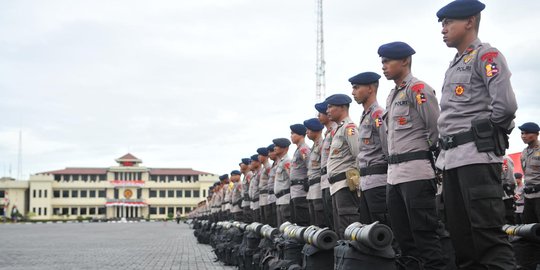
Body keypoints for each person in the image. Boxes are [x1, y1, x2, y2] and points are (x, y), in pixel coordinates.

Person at [436, 0, 518, 268]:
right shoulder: (455, 64)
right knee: (462, 241)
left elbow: (504, 106)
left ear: (469, 22)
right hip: (452, 161)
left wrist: (487, 134)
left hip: (476, 159)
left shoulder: (487, 56)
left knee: (488, 238)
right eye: (443, 24)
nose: (443, 29)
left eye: (449, 22)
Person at [379, 41, 444, 269]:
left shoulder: (418, 89)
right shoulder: (392, 95)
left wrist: (426, 154)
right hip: (394, 176)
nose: (383, 66)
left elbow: (436, 128)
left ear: (404, 61)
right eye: (382, 62)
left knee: (424, 236)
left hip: (416, 173)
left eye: (388, 61)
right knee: (403, 239)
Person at [349, 71, 390, 226]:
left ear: (370, 89)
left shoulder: (377, 114)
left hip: (378, 181)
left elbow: (387, 147)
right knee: (368, 231)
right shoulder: (365, 115)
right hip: (366, 183)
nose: (353, 92)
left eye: (356, 87)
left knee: (382, 229)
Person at [325, 94, 361, 238]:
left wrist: (357, 182)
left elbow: (358, 155)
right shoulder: (339, 130)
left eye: (331, 106)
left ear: (342, 108)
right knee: (340, 229)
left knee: (348, 226)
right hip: (336, 186)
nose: (328, 110)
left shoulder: (349, 128)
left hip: (345, 185)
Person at [316, 101, 337, 230]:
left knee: (335, 217)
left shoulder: (336, 130)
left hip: (333, 178)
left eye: (320, 113)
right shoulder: (328, 133)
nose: (318, 116)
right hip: (325, 179)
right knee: (328, 216)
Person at [303, 117, 327, 227]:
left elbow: (325, 167)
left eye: (309, 129)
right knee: (314, 222)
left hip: (319, 187)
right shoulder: (314, 147)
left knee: (321, 221)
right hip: (312, 189)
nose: (306, 132)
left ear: (316, 129)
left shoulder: (322, 145)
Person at [289, 124, 311, 226]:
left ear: (301, 135)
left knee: (303, 220)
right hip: (295, 191)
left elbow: (310, 166)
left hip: (301, 191)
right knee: (297, 220)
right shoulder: (298, 150)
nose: (291, 136)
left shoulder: (304, 149)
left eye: (293, 133)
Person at [519, 122, 540, 223]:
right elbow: (525, 173)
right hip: (528, 197)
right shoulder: (524, 152)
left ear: (537, 134)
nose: (523, 136)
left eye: (527, 133)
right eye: (522, 133)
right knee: (529, 230)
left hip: (539, 195)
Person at [273, 138, 292, 226]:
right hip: (279, 200)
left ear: (285, 148)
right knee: (280, 226)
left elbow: (291, 177)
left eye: (277, 146)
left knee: (286, 226)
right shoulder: (280, 162)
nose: (275, 148)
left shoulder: (287, 161)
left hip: (285, 199)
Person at [257, 147, 271, 225]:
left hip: (266, 196)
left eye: (260, 155)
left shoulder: (268, 167)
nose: (258, 157)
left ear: (265, 156)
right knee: (263, 220)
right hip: (262, 197)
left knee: (267, 219)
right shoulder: (263, 168)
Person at [266, 144, 278, 227]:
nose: (269, 154)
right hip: (271, 197)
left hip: (277, 196)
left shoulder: (281, 163)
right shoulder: (273, 165)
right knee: (272, 220)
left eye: (271, 151)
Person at [501, 155, 516, 224]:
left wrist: (509, 189)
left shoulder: (505, 159)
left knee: (509, 217)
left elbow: (510, 180)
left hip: (506, 195)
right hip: (497, 194)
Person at [249, 154, 262, 222]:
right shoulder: (255, 175)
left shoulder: (260, 173)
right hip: (253, 202)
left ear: (258, 162)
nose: (250, 164)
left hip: (259, 201)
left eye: (252, 161)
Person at [240, 158, 253, 223]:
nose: (241, 165)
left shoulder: (249, 174)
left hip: (248, 202)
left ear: (247, 165)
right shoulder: (245, 176)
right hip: (245, 202)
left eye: (242, 163)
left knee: (249, 219)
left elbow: (252, 187)